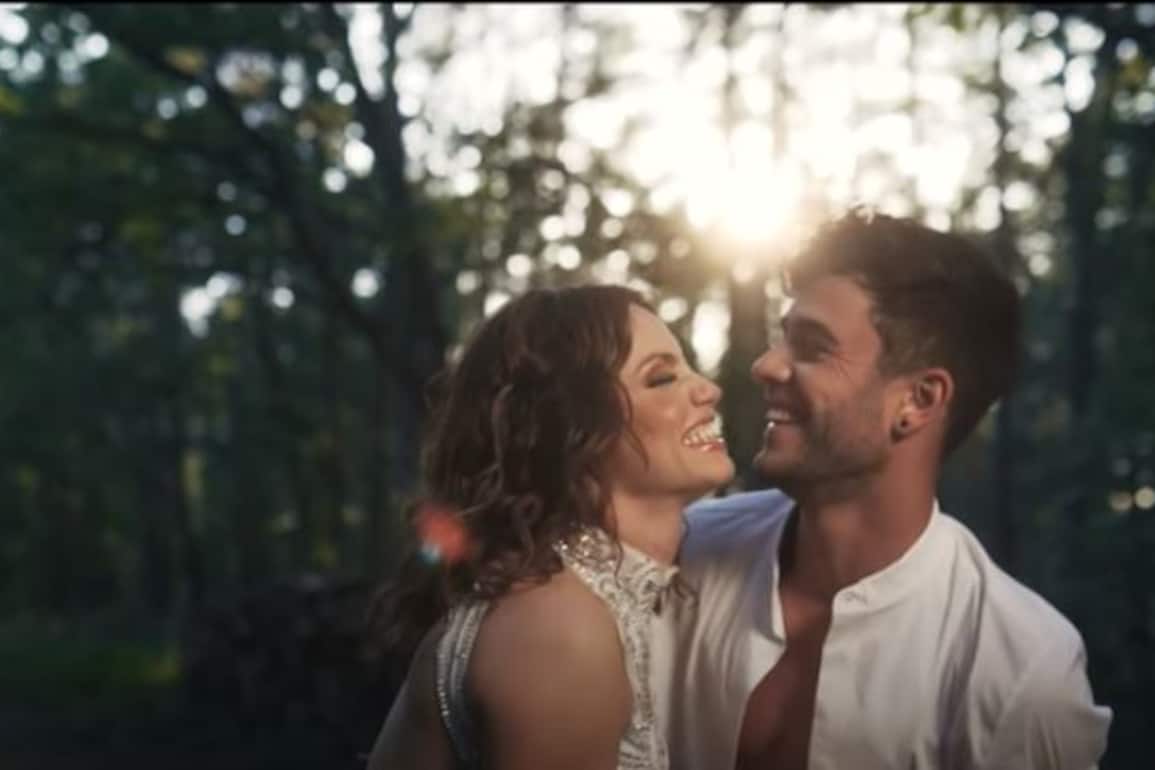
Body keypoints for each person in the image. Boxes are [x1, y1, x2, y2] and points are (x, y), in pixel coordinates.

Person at [651, 208, 1113, 770]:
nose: (766, 365)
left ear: (918, 400)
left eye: (813, 347)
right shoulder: (678, 554)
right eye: (781, 339)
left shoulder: (1019, 672)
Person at [366, 284, 735, 770]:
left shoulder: (582, 598)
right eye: (662, 378)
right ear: (572, 428)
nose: (709, 390)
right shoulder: (559, 631)